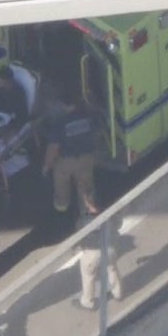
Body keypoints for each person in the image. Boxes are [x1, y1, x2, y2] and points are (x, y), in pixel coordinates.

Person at [41, 88, 100, 218]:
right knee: (86, 186)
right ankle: (89, 211)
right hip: (87, 158)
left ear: (63, 105)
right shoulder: (87, 116)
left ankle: (62, 212)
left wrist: (46, 167)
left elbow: (53, 148)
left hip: (66, 161)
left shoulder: (60, 123)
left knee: (61, 185)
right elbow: (96, 132)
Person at [71, 209, 122, 311]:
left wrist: (78, 247)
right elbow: (118, 225)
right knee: (112, 269)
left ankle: (87, 302)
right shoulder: (108, 213)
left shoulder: (82, 221)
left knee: (88, 276)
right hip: (109, 248)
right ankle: (118, 293)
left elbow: (78, 237)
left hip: (92, 252)